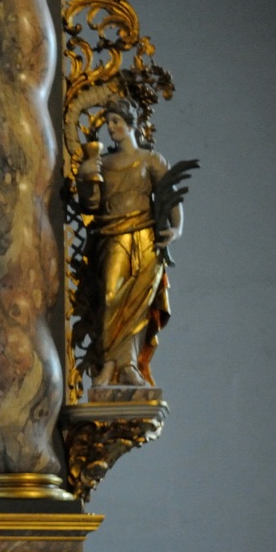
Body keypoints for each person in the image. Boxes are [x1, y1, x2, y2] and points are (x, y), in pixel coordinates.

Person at [76, 97, 183, 387]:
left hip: (146, 238)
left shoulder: (151, 160)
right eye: (108, 123)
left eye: (116, 121)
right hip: (112, 237)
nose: (111, 128)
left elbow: (170, 197)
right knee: (110, 297)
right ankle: (109, 363)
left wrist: (176, 229)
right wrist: (86, 179)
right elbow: (91, 206)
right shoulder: (103, 163)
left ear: (131, 124)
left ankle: (127, 366)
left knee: (138, 304)